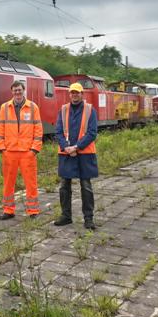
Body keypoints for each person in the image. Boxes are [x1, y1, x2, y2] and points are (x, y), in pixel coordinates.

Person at [54, 82, 99, 230]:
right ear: (69, 94)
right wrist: (66, 147)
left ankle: (88, 218)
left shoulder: (90, 110)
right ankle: (66, 216)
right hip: (66, 153)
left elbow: (92, 133)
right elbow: (59, 132)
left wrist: (76, 147)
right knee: (64, 186)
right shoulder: (63, 110)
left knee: (86, 186)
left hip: (84, 153)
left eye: (77, 92)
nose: (74, 95)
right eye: (72, 92)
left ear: (82, 94)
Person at [0, 80, 43, 220]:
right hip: (9, 152)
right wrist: (2, 147)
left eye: (19, 90)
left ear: (24, 91)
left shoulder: (33, 107)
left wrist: (34, 149)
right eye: (15, 90)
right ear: (12, 92)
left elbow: (38, 129)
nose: (17, 92)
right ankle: (8, 210)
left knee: (31, 183)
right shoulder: (4, 107)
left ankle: (32, 211)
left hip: (27, 152)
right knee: (8, 183)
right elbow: (0, 128)